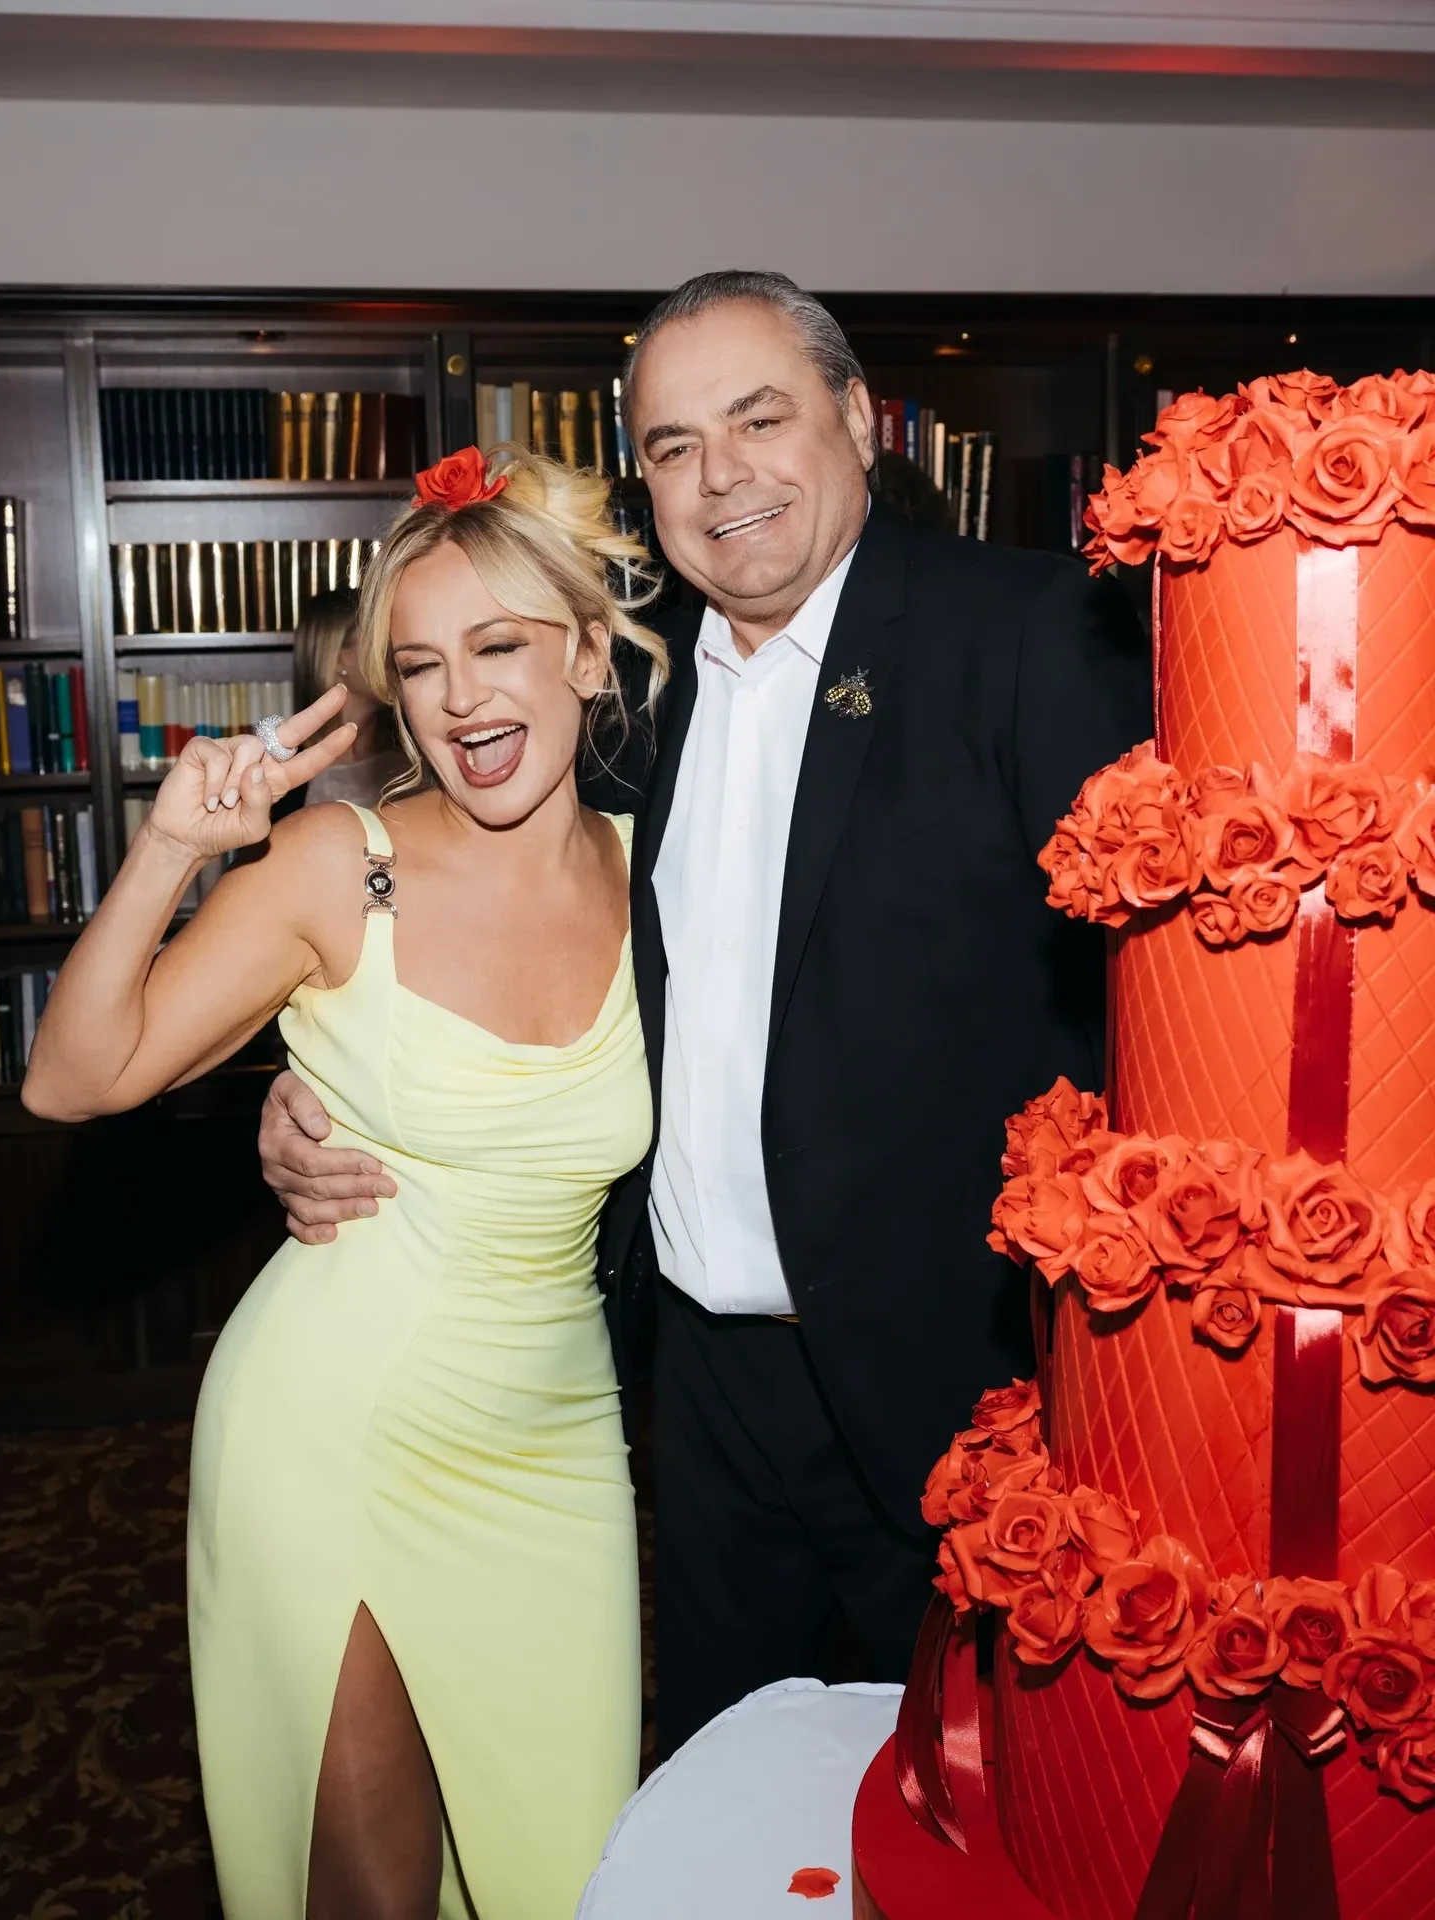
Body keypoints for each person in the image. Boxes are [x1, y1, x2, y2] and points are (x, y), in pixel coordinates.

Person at [256, 271, 1152, 1759]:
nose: (722, 475)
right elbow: (479, 916)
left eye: (759, 419)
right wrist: (320, 1084)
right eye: (673, 446)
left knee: (979, 1801)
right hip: (698, 1387)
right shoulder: (622, 681)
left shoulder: (1025, 632)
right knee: (716, 1787)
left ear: (858, 419)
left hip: (956, 1381)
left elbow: (1156, 1004)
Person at [22, 447, 667, 1920]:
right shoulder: (340, 866)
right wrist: (170, 849)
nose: (462, 701)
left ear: (585, 653)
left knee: (569, 1873)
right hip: (333, 1434)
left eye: (498, 647)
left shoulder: (659, 875)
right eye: (422, 668)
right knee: (370, 1895)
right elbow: (73, 1078)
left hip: (560, 1446)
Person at [289, 585, 407, 808]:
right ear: (339, 659)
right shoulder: (286, 770)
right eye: (379, 641)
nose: (397, 652)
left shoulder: (415, 751)